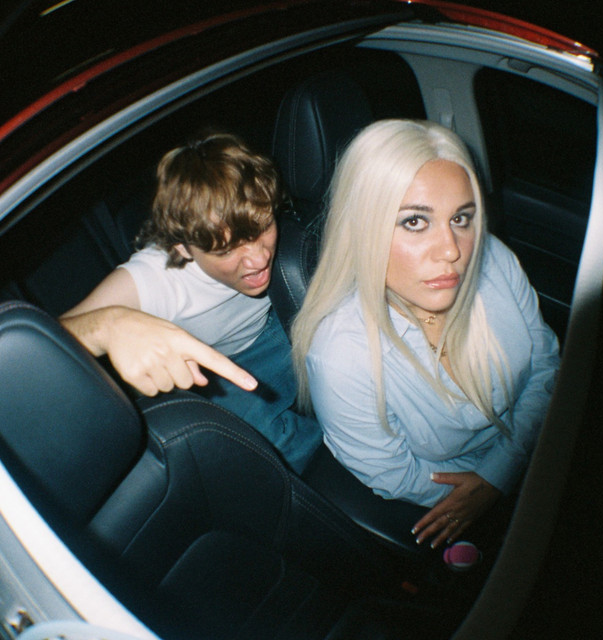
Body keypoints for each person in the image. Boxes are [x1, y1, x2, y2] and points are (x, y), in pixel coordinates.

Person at [291, 119, 560, 548]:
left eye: (461, 218)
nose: (452, 250)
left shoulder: (493, 260)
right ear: (363, 228)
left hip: (545, 444)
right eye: (415, 222)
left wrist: (501, 473)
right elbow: (392, 472)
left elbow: (546, 366)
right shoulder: (341, 356)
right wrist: (480, 495)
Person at [61, 132, 321, 472]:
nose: (259, 259)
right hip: (227, 368)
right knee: (272, 454)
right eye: (226, 249)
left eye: (263, 228)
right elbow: (43, 339)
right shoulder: (156, 278)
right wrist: (108, 325)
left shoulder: (267, 212)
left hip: (284, 321)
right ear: (182, 247)